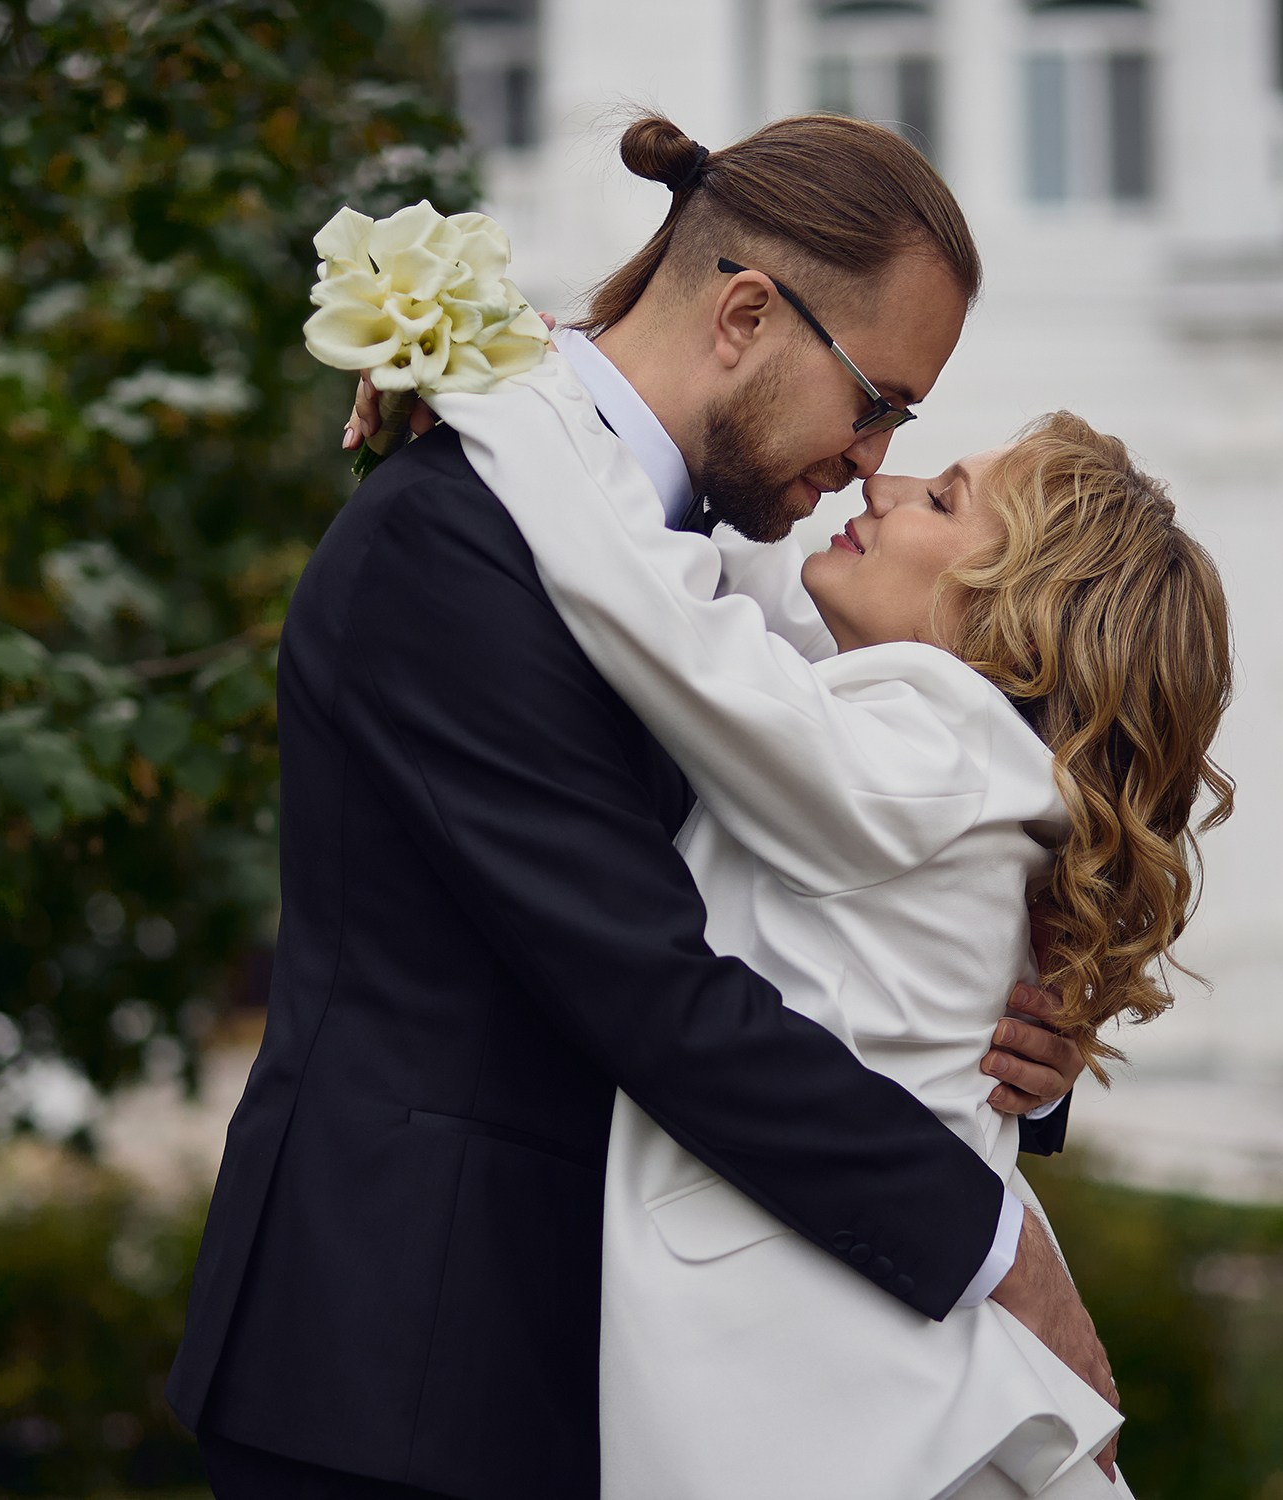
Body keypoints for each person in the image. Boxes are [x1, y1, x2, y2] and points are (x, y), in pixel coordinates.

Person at [167, 115, 1110, 1500]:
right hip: (398, 1371)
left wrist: (1013, 1031)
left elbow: (838, 892)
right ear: (743, 314)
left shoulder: (687, 579)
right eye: (876, 402)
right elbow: (657, 995)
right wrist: (992, 1245)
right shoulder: (456, 540)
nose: (871, 459)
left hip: (549, 1375)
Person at [433, 351, 1233, 1494]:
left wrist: (488, 381)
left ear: (1016, 626)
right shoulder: (939, 753)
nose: (885, 484)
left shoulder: (934, 751)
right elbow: (724, 588)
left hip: (843, 1407)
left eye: (943, 499)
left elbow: (661, 617)